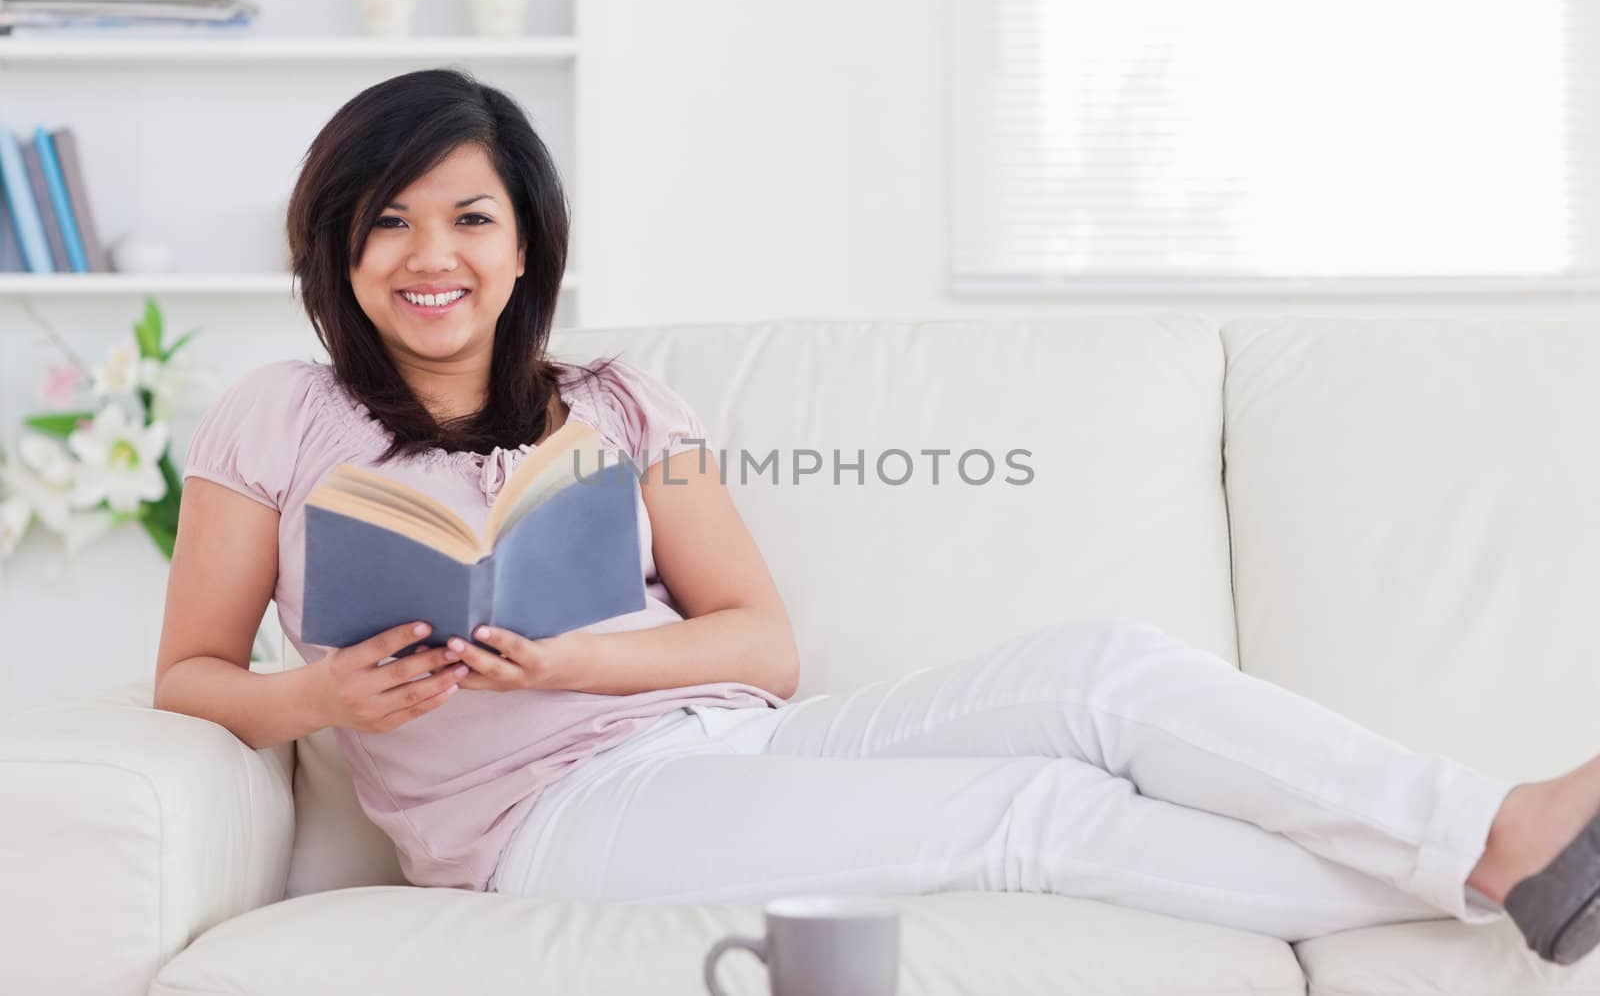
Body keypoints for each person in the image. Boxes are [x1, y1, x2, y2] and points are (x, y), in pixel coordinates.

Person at [154, 69, 1600, 967]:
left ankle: (1496, 835)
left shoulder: (619, 404)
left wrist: (576, 658)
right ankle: (1492, 866)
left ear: (525, 241)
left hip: (716, 735)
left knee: (1099, 666)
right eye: (389, 220)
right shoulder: (276, 412)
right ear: (337, 246)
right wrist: (319, 696)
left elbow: (761, 646)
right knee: (1038, 815)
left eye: (469, 217)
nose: (431, 256)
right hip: (548, 824)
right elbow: (191, 678)